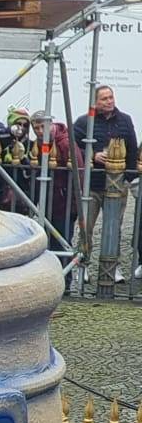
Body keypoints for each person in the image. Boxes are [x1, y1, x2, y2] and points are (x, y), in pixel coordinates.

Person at [74, 84, 138, 283]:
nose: (109, 101)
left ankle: (113, 267)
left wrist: (127, 178)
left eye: (111, 97)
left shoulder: (125, 120)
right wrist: (92, 156)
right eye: (104, 99)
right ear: (95, 102)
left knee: (114, 228)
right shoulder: (84, 122)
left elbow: (133, 149)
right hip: (92, 184)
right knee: (87, 228)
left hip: (117, 185)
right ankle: (82, 266)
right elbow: (74, 150)